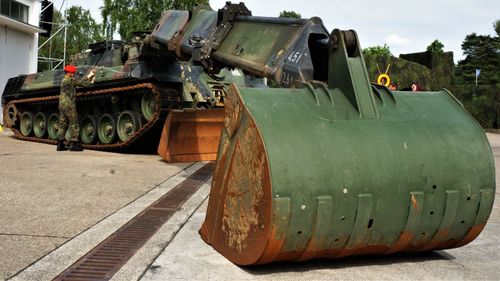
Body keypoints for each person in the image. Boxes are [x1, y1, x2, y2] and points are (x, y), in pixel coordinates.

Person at [57, 65, 96, 151]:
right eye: (73, 73)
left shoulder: (64, 80)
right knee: (74, 123)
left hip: (62, 104)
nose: (74, 74)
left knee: (62, 123)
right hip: (69, 104)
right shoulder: (70, 80)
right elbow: (82, 83)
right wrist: (91, 80)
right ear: (69, 73)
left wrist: (88, 76)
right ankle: (74, 143)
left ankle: (60, 144)